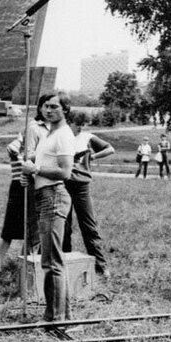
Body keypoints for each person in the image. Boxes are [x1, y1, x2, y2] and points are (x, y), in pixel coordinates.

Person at [21, 92, 75, 322]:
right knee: (52, 260)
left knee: (51, 261)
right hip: (44, 194)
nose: (49, 110)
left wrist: (34, 171)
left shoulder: (63, 134)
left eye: (54, 107)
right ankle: (63, 314)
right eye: (45, 107)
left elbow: (65, 171)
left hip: (54, 195)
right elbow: (41, 165)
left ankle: (54, 317)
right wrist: (29, 175)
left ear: (65, 110)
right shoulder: (48, 134)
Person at [0, 95, 50, 280]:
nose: (48, 111)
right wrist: (23, 165)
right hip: (19, 185)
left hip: (38, 185)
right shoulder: (30, 128)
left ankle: (24, 270)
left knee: (34, 232)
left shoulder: (52, 132)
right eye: (44, 106)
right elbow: (11, 148)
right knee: (9, 231)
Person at [63, 111, 114, 278]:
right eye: (76, 123)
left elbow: (110, 149)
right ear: (68, 122)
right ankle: (65, 263)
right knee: (65, 226)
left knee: (89, 226)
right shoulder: (61, 137)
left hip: (82, 185)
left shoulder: (87, 137)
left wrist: (92, 156)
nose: (79, 127)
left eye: (81, 124)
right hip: (63, 184)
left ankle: (101, 267)